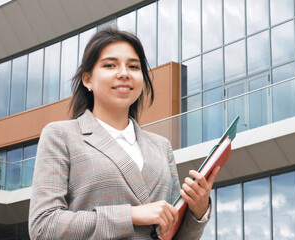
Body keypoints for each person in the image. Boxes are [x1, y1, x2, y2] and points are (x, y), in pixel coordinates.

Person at [28, 26, 220, 240]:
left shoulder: (161, 146)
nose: (124, 74)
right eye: (110, 65)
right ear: (87, 80)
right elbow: (43, 227)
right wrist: (129, 215)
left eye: (134, 66)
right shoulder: (61, 136)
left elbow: (171, 234)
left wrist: (197, 211)